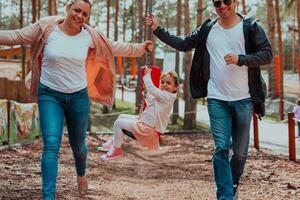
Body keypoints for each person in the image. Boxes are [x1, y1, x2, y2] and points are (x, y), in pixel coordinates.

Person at [0, 0, 153, 199]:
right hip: (49, 94)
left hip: (78, 96)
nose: (80, 16)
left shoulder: (90, 36)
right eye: (77, 10)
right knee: (52, 144)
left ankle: (81, 174)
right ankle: (48, 196)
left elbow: (113, 47)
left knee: (78, 146)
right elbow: (15, 36)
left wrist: (140, 48)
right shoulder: (47, 28)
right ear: (68, 8)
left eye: (85, 14)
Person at [146, 0, 272, 199]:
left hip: (244, 99)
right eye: (217, 2)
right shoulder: (208, 29)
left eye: (227, 1)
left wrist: (241, 59)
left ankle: (233, 182)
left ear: (236, 2)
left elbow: (267, 55)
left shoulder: (251, 27)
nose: (222, 6)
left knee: (239, 154)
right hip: (217, 98)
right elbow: (183, 43)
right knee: (221, 147)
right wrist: (158, 29)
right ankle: (225, 195)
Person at [99, 69, 178, 161]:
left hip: (147, 128)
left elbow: (152, 89)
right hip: (144, 122)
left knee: (118, 123)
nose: (164, 84)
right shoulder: (164, 96)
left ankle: (116, 150)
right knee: (121, 116)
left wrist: (147, 75)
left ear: (175, 87)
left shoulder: (168, 96)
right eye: (163, 82)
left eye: (168, 83)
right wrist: (146, 94)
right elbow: (152, 102)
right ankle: (114, 142)